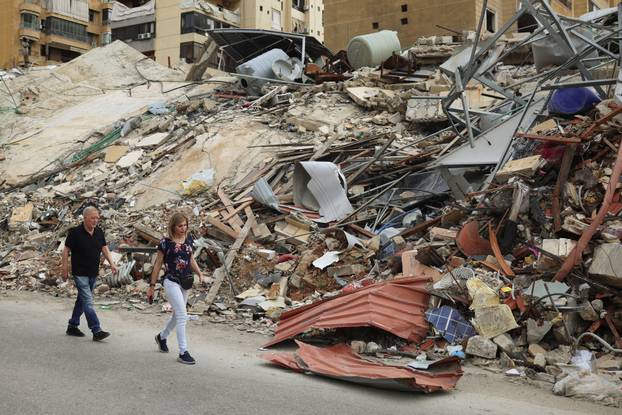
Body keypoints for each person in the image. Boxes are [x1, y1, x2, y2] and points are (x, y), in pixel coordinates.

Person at [147, 212, 207, 365]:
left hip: (185, 281)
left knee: (177, 315)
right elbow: (158, 264)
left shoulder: (188, 239)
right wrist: (152, 286)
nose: (183, 228)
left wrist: (199, 273)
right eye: (180, 226)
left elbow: (190, 257)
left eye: (185, 225)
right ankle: (183, 351)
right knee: (182, 315)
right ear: (173, 226)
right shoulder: (165, 242)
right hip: (171, 281)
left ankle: (161, 337)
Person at [62, 206, 117, 341]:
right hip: (80, 273)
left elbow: (104, 248)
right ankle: (96, 330)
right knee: (88, 301)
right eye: (93, 218)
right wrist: (64, 269)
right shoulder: (75, 233)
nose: (95, 220)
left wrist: (112, 263)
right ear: (85, 218)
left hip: (93, 272)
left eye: (97, 218)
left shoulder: (99, 232)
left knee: (81, 300)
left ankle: (72, 325)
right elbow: (66, 250)